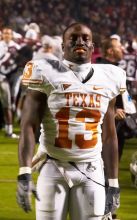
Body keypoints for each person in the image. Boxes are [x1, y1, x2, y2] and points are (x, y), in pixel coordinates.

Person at [16, 23, 126, 220]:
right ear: (63, 45)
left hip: (92, 168)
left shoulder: (110, 76)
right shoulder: (45, 71)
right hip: (53, 165)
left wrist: (114, 182)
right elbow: (29, 125)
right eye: (73, 38)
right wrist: (24, 172)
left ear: (93, 46)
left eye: (85, 38)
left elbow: (110, 135)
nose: (80, 42)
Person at [0, 27, 20, 138]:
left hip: (9, 78)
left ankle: (9, 130)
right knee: (6, 104)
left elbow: (20, 64)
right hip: (1, 76)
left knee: (7, 104)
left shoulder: (17, 47)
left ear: (12, 35)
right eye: (5, 33)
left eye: (8, 33)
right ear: (2, 35)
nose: (7, 35)